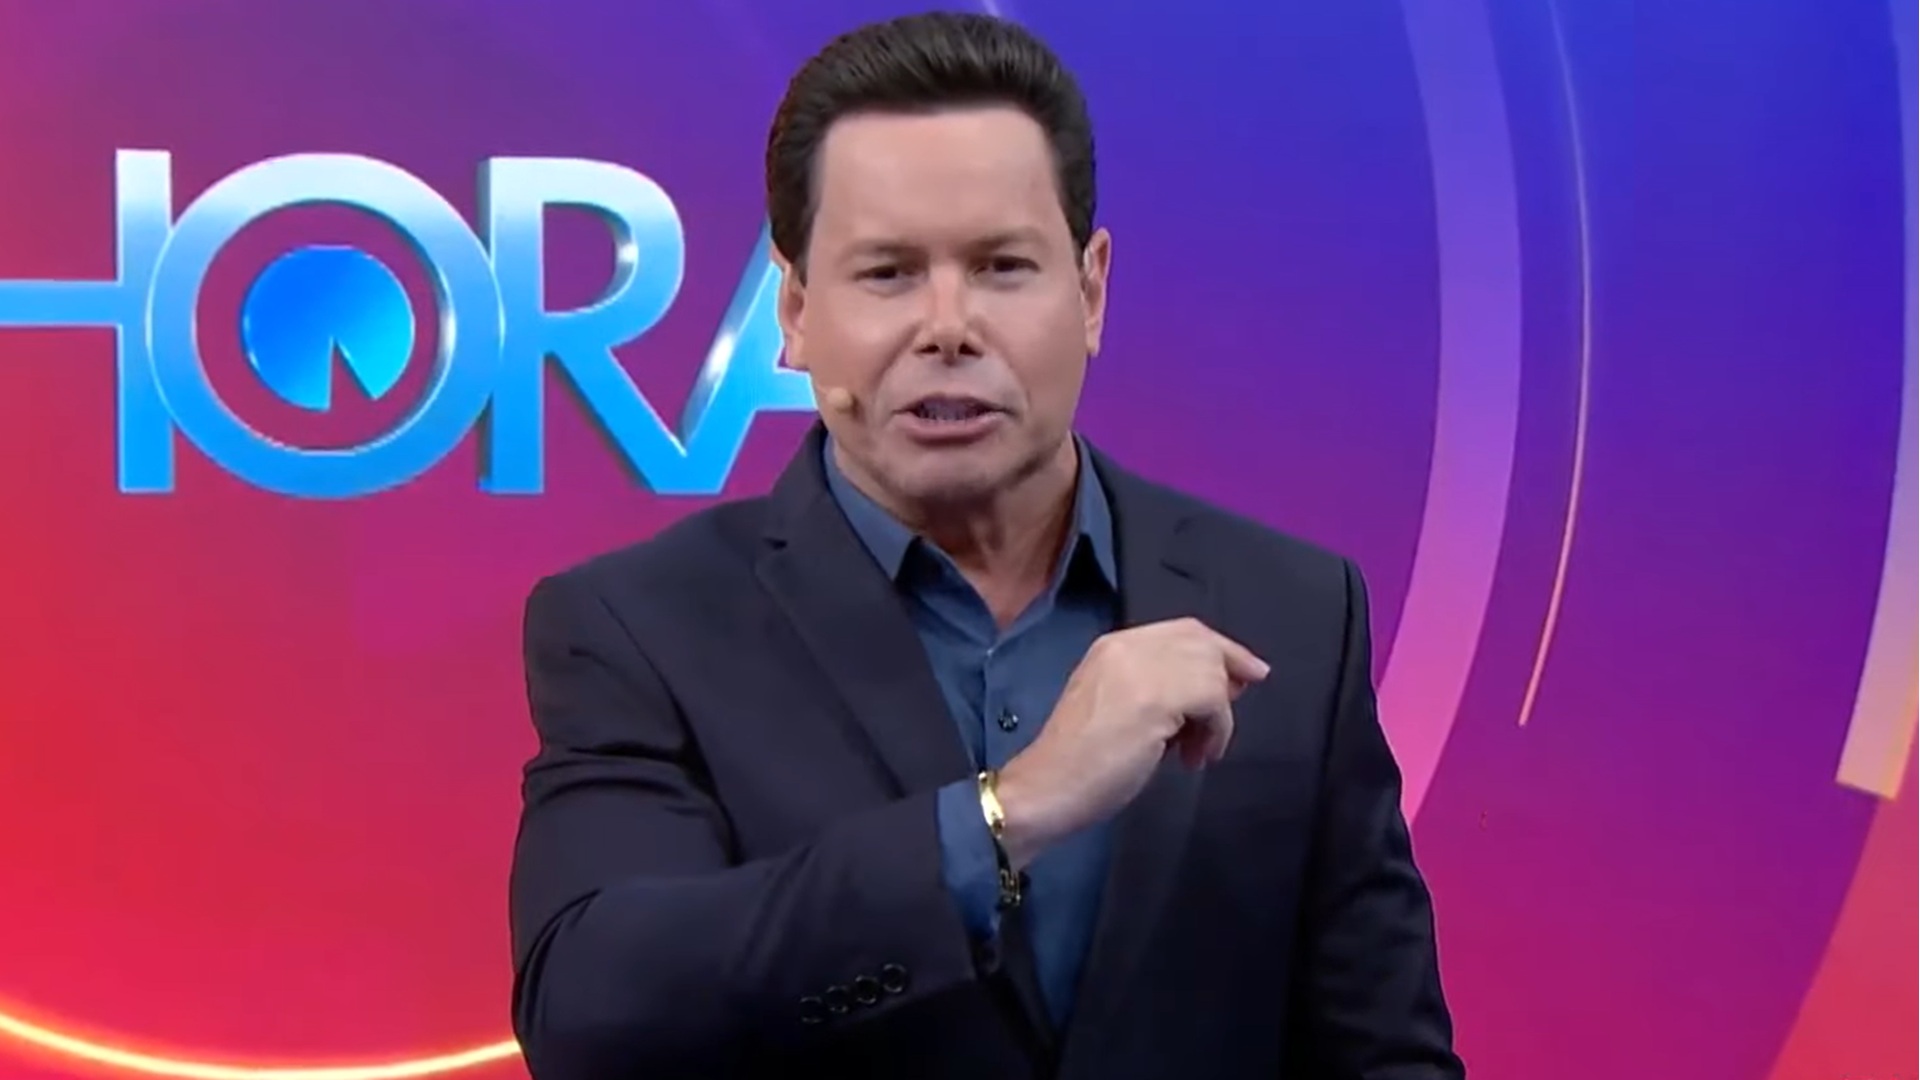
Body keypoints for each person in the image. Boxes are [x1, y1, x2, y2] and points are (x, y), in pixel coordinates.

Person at [507, 11, 1463, 1079]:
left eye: (1003, 267)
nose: (948, 326)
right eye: (888, 273)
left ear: (1090, 292)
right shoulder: (641, 629)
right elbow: (594, 1017)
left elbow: (1387, 1055)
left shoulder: (1293, 609)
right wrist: (1007, 816)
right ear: (796, 310)